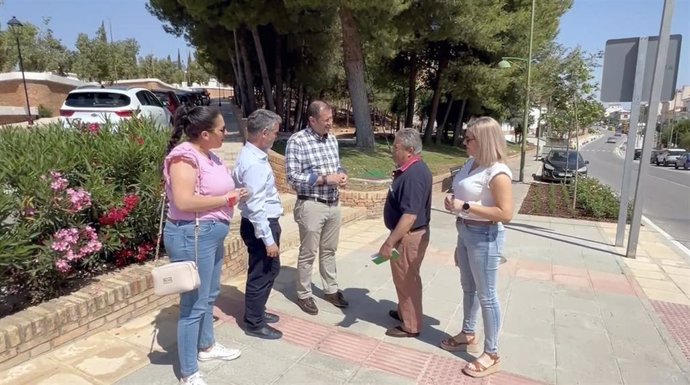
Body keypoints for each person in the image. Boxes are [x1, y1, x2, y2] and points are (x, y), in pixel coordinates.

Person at [163, 105, 248, 385]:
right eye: (222, 129)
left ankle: (207, 346)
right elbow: (184, 201)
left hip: (210, 233)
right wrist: (227, 199)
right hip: (192, 234)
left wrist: (234, 195)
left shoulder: (208, 155)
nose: (226, 133)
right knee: (193, 305)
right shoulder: (184, 158)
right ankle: (188, 372)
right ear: (204, 134)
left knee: (209, 295)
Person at [441, 116, 513, 378]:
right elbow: (464, 195)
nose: (464, 142)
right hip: (465, 231)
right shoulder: (472, 164)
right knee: (468, 287)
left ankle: (492, 353)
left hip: (485, 236)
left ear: (483, 140)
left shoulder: (498, 172)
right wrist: (455, 203)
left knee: (488, 295)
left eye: (468, 138)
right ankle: (468, 332)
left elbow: (506, 213)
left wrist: (467, 206)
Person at [285, 100, 348, 315]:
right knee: (308, 252)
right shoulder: (297, 141)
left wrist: (341, 174)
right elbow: (292, 177)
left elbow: (336, 164)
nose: (331, 124)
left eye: (331, 118)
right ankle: (304, 293)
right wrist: (324, 179)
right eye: (326, 120)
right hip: (311, 204)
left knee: (329, 250)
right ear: (312, 120)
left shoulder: (331, 140)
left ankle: (330, 289)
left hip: (333, 203)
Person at [233, 109, 284, 340]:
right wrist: (268, 239)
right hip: (261, 226)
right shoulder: (254, 163)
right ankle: (254, 322)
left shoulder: (253, 156)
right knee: (261, 273)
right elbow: (255, 206)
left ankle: (257, 311)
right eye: (274, 132)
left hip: (262, 224)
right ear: (264, 133)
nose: (276, 136)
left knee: (270, 270)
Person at [378, 128, 432, 338]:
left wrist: (389, 243)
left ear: (409, 150)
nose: (392, 150)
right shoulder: (409, 169)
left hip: (409, 237)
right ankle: (405, 312)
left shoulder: (414, 175)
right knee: (403, 278)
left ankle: (411, 326)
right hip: (409, 235)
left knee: (407, 280)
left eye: (396, 147)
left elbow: (409, 216)